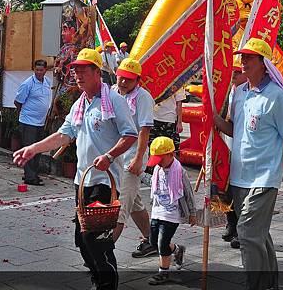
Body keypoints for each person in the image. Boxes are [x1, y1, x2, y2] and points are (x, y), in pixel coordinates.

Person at [13, 48, 138, 290]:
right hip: (82, 181)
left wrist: (110, 156)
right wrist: (33, 149)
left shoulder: (114, 100)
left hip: (104, 182)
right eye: (76, 71)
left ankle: (107, 284)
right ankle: (97, 278)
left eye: (83, 70)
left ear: (96, 72)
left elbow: (130, 134)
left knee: (96, 239)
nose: (78, 75)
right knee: (82, 240)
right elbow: (63, 135)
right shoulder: (80, 104)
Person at [214, 38, 283, 290]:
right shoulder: (240, 93)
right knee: (259, 234)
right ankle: (270, 284)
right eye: (241, 57)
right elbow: (235, 130)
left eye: (249, 58)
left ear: (264, 64)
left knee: (246, 232)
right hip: (239, 177)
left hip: (265, 178)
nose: (242, 62)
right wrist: (212, 117)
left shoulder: (276, 96)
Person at [111, 58, 156, 258]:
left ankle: (102, 253)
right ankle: (155, 241)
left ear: (138, 80)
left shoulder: (143, 97)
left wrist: (138, 160)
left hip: (131, 159)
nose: (123, 83)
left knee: (120, 205)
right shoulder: (112, 92)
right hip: (115, 156)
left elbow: (144, 130)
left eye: (128, 80)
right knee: (135, 201)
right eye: (121, 78)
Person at [145, 136, 198, 285]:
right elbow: (153, 183)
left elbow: (188, 193)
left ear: (171, 154)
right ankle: (177, 249)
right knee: (153, 242)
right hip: (157, 210)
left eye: (160, 159)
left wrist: (192, 213)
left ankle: (163, 272)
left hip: (172, 213)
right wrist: (139, 174)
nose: (159, 164)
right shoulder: (158, 168)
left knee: (162, 243)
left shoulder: (179, 171)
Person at [221, 58, 246, 250]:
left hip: (243, 149)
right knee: (225, 189)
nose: (234, 75)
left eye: (238, 72)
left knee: (241, 193)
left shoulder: (248, 93)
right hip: (226, 144)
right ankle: (231, 223)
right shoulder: (230, 91)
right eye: (233, 71)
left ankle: (241, 230)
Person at [14, 59, 52, 186]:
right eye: (37, 70)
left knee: (37, 150)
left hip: (40, 122)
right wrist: (23, 115)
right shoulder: (28, 83)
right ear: (34, 69)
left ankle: (32, 174)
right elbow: (18, 101)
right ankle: (30, 177)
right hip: (28, 122)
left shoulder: (47, 82)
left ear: (45, 70)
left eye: (41, 70)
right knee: (29, 150)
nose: (39, 72)